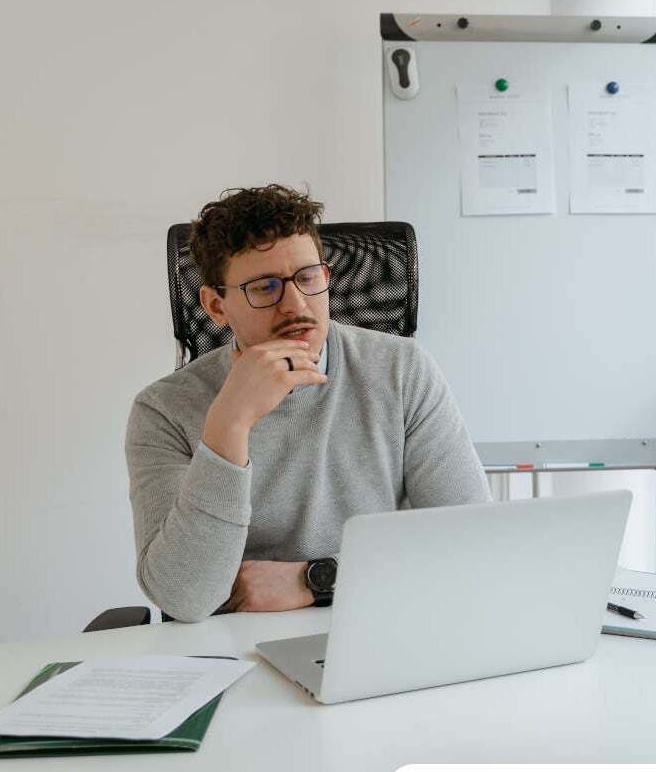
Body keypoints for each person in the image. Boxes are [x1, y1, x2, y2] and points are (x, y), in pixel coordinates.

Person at [125, 185, 489, 622]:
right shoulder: (163, 410)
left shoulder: (401, 370)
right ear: (216, 306)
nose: (296, 305)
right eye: (265, 287)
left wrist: (314, 579)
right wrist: (229, 426)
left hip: (376, 622)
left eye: (308, 278)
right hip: (233, 646)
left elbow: (470, 545)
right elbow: (184, 598)